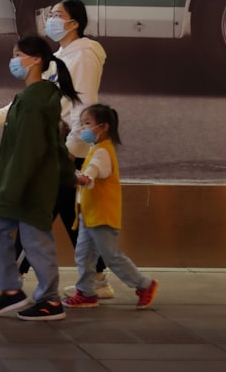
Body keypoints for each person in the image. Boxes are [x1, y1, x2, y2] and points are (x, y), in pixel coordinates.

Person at [0, 0, 112, 297]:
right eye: (49, 13)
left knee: (37, 213)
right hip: (58, 146)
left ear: (74, 23)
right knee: (67, 214)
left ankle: (10, 279)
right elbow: (38, 93)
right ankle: (98, 278)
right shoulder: (60, 56)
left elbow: (83, 102)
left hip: (65, 148)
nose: (51, 19)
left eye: (57, 14)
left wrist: (73, 145)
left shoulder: (85, 53)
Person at [0, 35, 79, 322]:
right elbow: (54, 144)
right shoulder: (41, 97)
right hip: (31, 184)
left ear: (36, 60)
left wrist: (9, 191)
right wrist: (69, 175)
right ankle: (11, 291)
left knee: (35, 240)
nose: (13, 61)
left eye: (17, 55)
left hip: (27, 187)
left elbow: (27, 151)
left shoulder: (32, 102)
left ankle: (49, 301)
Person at [63, 104, 159, 310]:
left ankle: (144, 284)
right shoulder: (96, 149)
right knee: (84, 255)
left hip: (102, 215)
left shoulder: (102, 152)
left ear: (103, 126)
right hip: (89, 215)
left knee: (110, 255)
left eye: (87, 124)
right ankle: (86, 293)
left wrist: (82, 177)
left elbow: (93, 172)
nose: (83, 129)